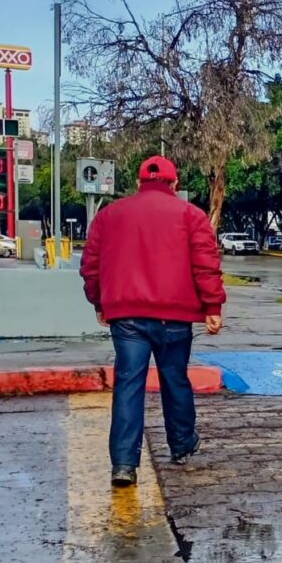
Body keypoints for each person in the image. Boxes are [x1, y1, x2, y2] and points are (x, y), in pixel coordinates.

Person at [80, 156, 225, 487]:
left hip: (127, 318)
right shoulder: (192, 216)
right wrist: (212, 306)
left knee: (129, 383)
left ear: (138, 183)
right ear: (174, 184)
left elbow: (91, 265)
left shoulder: (109, 216)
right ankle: (182, 444)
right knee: (175, 379)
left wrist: (100, 303)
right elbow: (206, 264)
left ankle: (124, 465)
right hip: (175, 317)